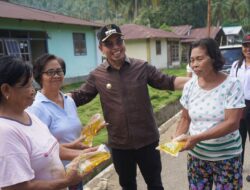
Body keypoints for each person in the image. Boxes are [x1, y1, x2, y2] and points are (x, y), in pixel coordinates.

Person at [70, 24, 189, 190]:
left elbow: (167, 81)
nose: (116, 47)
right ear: (101, 48)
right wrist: (51, 98)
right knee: (127, 186)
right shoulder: (97, 76)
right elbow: (79, 96)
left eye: (119, 41)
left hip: (147, 140)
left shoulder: (141, 67)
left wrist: (198, 81)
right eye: (109, 44)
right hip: (120, 145)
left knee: (155, 184)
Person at [0, 56, 85, 190]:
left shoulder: (27, 115)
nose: (33, 90)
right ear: (6, 90)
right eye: (27, 85)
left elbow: (50, 148)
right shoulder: (5, 132)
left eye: (32, 85)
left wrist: (84, 153)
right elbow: (19, 187)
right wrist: (66, 181)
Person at [174, 38, 245, 189]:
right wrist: (177, 139)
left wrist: (196, 138)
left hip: (227, 158)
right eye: (192, 60)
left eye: (199, 59)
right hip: (197, 159)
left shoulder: (232, 85)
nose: (194, 64)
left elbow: (232, 123)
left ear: (213, 58)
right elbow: (185, 118)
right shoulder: (190, 86)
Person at [28, 54, 96, 190]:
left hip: (77, 168)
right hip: (55, 175)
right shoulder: (37, 108)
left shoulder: (68, 100)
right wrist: (83, 154)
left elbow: (72, 133)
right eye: (50, 72)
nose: (56, 75)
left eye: (59, 71)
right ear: (39, 76)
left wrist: (92, 127)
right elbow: (42, 148)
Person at [229, 34, 250, 181]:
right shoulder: (236, 65)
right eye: (246, 45)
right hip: (239, 105)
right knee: (238, 138)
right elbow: (231, 86)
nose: (248, 49)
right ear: (242, 48)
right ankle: (238, 167)